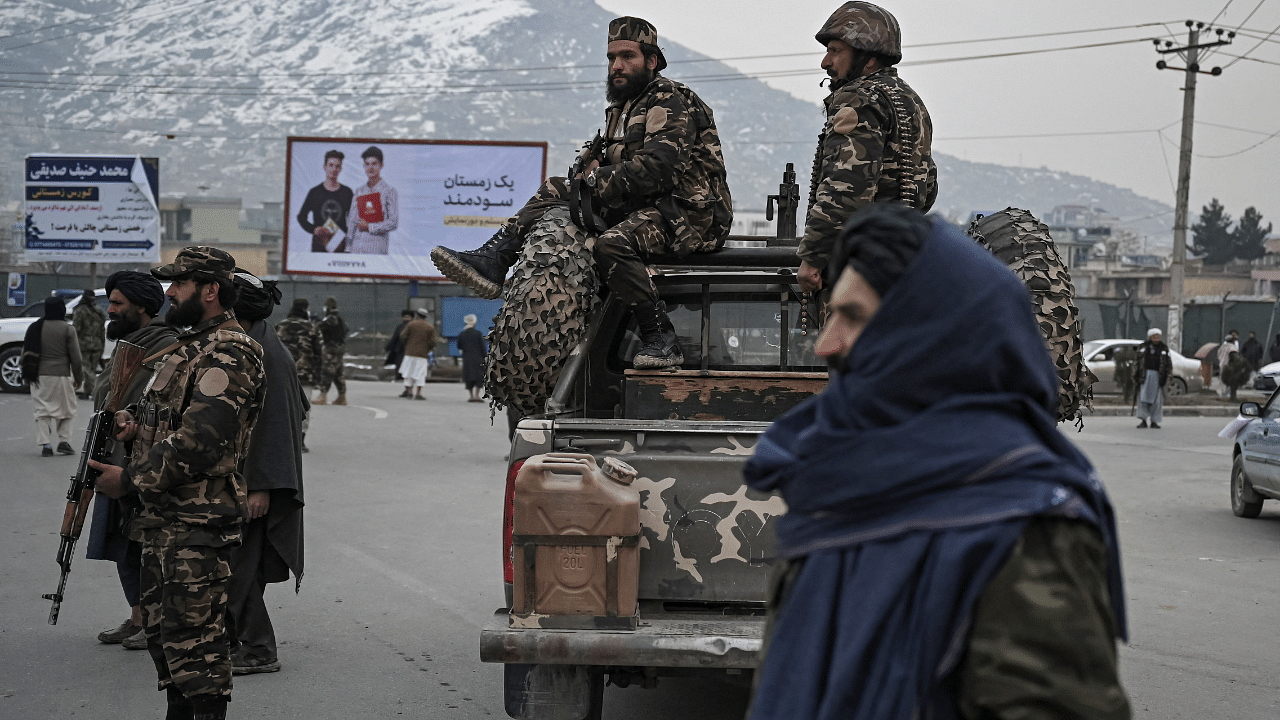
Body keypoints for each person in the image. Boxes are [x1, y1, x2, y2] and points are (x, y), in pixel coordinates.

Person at [743, 205, 1128, 720]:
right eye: (830, 315)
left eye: (853, 317)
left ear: (929, 333)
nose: (826, 344)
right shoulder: (834, 480)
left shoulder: (1022, 529)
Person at [431, 16, 732, 369]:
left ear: (651, 61)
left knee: (612, 244)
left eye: (627, 56)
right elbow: (597, 169)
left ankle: (661, 338)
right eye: (611, 58)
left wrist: (593, 180)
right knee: (558, 187)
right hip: (650, 208)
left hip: (689, 216)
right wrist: (586, 173)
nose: (616, 66)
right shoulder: (622, 109)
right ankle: (495, 259)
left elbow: (658, 171)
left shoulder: (669, 100)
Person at [88, 246, 266, 720]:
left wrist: (129, 479)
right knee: (167, 645)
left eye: (179, 284)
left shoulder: (229, 351)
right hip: (165, 520)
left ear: (210, 290)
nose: (169, 293)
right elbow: (170, 422)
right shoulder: (192, 348)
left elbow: (201, 440)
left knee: (197, 651)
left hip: (196, 525)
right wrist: (134, 426)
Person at [796, 2, 937, 295]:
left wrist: (813, 258)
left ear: (868, 59)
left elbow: (845, 189)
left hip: (861, 270)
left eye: (836, 51)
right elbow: (928, 186)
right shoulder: (910, 100)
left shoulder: (859, 99)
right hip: (902, 260)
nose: (826, 62)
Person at [85, 271, 175, 651]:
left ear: (142, 307)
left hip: (140, 468)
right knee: (122, 547)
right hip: (111, 460)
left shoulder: (166, 348)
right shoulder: (129, 344)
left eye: (118, 303)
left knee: (143, 548)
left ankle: (153, 622)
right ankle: (137, 616)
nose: (110, 309)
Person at [227, 272, 306, 676]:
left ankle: (258, 647)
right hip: (251, 479)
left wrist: (260, 486)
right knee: (241, 568)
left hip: (257, 483)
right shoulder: (259, 342)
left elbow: (273, 424)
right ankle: (243, 641)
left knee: (237, 569)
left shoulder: (264, 353)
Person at [23, 296, 82, 456]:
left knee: (42, 411)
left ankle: (46, 445)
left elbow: (25, 353)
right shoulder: (67, 329)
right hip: (62, 376)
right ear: (62, 309)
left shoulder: (35, 327)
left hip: (39, 377)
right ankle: (64, 442)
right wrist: (79, 378)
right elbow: (76, 358)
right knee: (67, 410)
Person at [297, 149, 355, 253]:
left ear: (341, 169)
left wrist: (346, 234)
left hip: (340, 247)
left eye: (337, 166)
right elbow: (301, 216)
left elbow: (354, 220)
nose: (334, 169)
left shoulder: (347, 193)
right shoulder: (315, 192)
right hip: (319, 247)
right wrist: (314, 229)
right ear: (325, 167)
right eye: (331, 165)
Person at [346, 146, 398, 255]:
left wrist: (370, 227)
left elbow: (393, 223)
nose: (370, 168)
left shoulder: (389, 191)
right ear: (364, 166)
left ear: (381, 165)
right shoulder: (359, 191)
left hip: (376, 249)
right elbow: (352, 221)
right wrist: (348, 247)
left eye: (374, 163)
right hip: (356, 248)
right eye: (367, 164)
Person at [276, 298, 322, 386]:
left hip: (283, 373)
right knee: (304, 398)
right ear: (305, 309)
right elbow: (318, 352)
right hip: (305, 374)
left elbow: (272, 349)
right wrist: (317, 376)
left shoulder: (281, 325)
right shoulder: (311, 327)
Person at [1134, 327, 1172, 429]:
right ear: (1150, 337)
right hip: (1145, 376)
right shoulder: (1143, 347)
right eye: (1154, 337)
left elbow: (1168, 364)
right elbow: (1137, 362)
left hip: (1158, 377)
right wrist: (1135, 375)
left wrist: (1168, 377)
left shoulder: (1164, 348)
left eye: (1158, 337)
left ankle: (1154, 421)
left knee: (1157, 401)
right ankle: (1143, 420)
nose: (1156, 339)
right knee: (1143, 399)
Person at [72, 288, 106, 399]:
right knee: (91, 368)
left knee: (86, 369)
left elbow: (76, 329)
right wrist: (102, 346)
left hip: (84, 345)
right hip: (97, 344)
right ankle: (89, 392)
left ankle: (96, 388)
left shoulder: (80, 310)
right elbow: (102, 331)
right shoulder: (98, 311)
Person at [313, 296, 347, 406]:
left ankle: (323, 396)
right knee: (338, 372)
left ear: (327, 306)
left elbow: (318, 329)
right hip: (340, 348)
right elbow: (345, 330)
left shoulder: (329, 318)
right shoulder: (340, 318)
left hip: (331, 349)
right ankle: (342, 397)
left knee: (327, 371)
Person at [398, 308, 438, 400]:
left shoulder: (411, 324)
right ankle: (418, 393)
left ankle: (410, 391)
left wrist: (408, 345)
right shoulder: (430, 327)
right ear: (426, 316)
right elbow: (433, 341)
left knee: (408, 373)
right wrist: (428, 348)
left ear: (417, 315)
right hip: (422, 354)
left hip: (409, 353)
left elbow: (403, 336)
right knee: (420, 374)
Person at [457, 313, 486, 402]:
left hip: (467, 358)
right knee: (478, 377)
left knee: (468, 376)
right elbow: (483, 347)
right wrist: (485, 358)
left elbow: (459, 346)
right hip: (478, 358)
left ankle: (471, 395)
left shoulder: (462, 334)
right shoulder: (478, 334)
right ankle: (477, 395)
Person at [384, 309, 414, 380]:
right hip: (400, 349)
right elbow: (395, 338)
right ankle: (400, 376)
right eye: (405, 317)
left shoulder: (410, 327)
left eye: (408, 317)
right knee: (400, 363)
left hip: (408, 349)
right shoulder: (400, 327)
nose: (406, 319)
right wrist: (388, 347)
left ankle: (403, 376)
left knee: (405, 363)